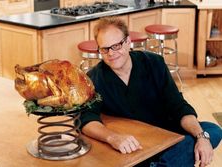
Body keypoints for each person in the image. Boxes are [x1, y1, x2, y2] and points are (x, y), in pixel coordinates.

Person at [79, 17, 222, 167]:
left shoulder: (154, 63)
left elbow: (178, 106)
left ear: (128, 42)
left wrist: (201, 138)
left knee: (212, 130)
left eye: (117, 45)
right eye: (105, 49)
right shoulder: (94, 78)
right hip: (133, 144)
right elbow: (87, 119)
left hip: (167, 134)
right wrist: (113, 138)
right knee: (186, 147)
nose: (111, 54)